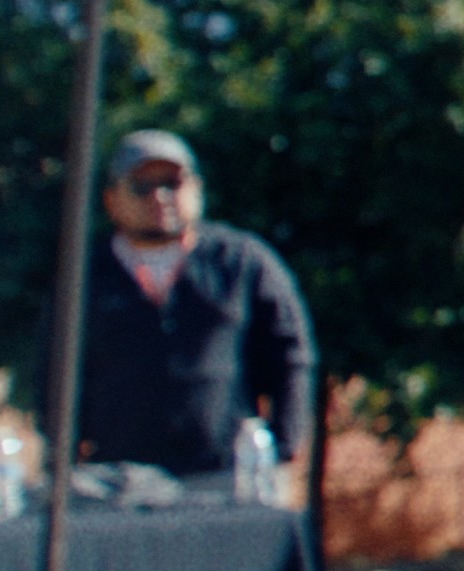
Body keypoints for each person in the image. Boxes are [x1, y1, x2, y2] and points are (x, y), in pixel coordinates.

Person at [81, 130, 316, 486]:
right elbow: (55, 369)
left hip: (226, 476)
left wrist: (284, 447)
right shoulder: (85, 276)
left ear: (196, 189)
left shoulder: (242, 263)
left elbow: (292, 357)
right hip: (119, 483)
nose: (160, 197)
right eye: (142, 186)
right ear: (111, 199)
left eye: (172, 183)